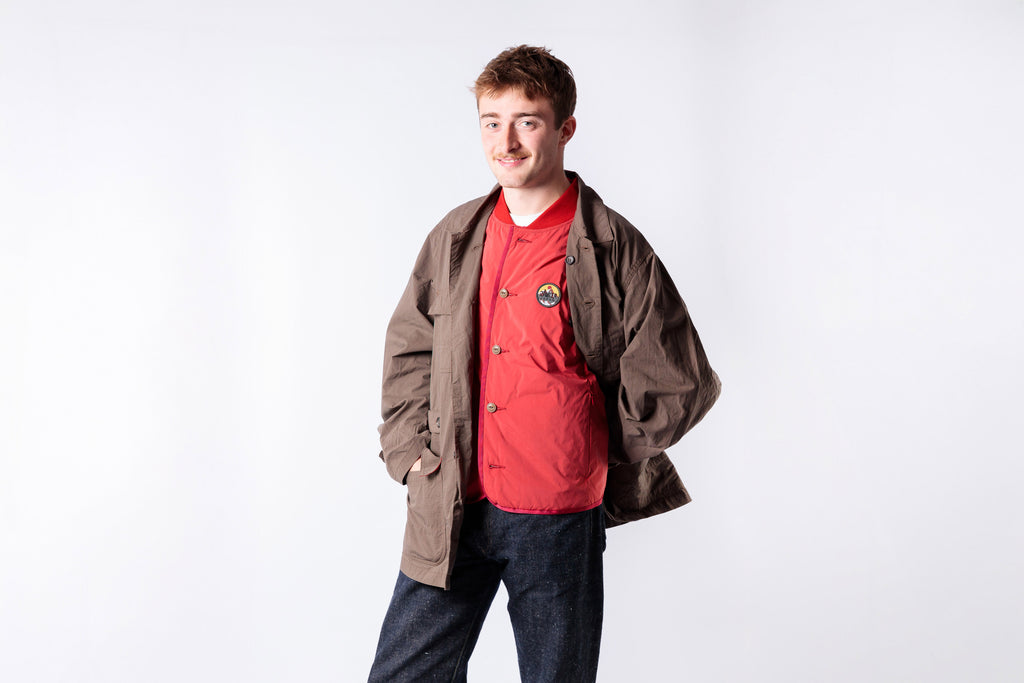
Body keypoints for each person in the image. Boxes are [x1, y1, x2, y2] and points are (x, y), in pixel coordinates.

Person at [368, 45, 721, 683]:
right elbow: (410, 346)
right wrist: (409, 449)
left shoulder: (613, 245)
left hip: (557, 515)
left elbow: (681, 379)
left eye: (527, 120)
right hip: (452, 498)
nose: (507, 140)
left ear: (564, 128)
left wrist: (586, 446)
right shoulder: (454, 236)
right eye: (491, 120)